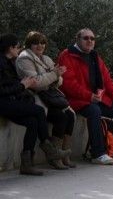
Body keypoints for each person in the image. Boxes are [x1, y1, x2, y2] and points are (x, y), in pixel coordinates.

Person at [57, 28, 113, 165]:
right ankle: (98, 153)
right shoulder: (66, 55)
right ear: (77, 39)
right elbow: (68, 84)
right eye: (86, 38)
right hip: (76, 100)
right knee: (94, 111)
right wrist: (89, 96)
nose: (90, 41)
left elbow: (107, 79)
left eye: (92, 38)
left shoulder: (94, 56)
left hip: (95, 98)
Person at [0, 33, 70, 176]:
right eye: (17, 47)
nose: (19, 49)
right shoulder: (2, 64)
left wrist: (54, 75)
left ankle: (26, 164)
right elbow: (2, 90)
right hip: (3, 103)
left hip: (11, 102)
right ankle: (49, 149)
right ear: (9, 48)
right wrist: (23, 85)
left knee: (32, 122)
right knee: (38, 111)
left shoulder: (10, 62)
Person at [16, 31, 76, 169]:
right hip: (36, 99)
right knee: (61, 117)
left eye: (42, 42)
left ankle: (64, 155)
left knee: (71, 115)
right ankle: (54, 156)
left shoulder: (46, 58)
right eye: (36, 42)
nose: (40, 45)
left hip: (49, 97)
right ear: (29, 44)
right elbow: (36, 83)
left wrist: (53, 76)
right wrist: (54, 74)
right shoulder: (24, 59)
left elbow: (60, 80)